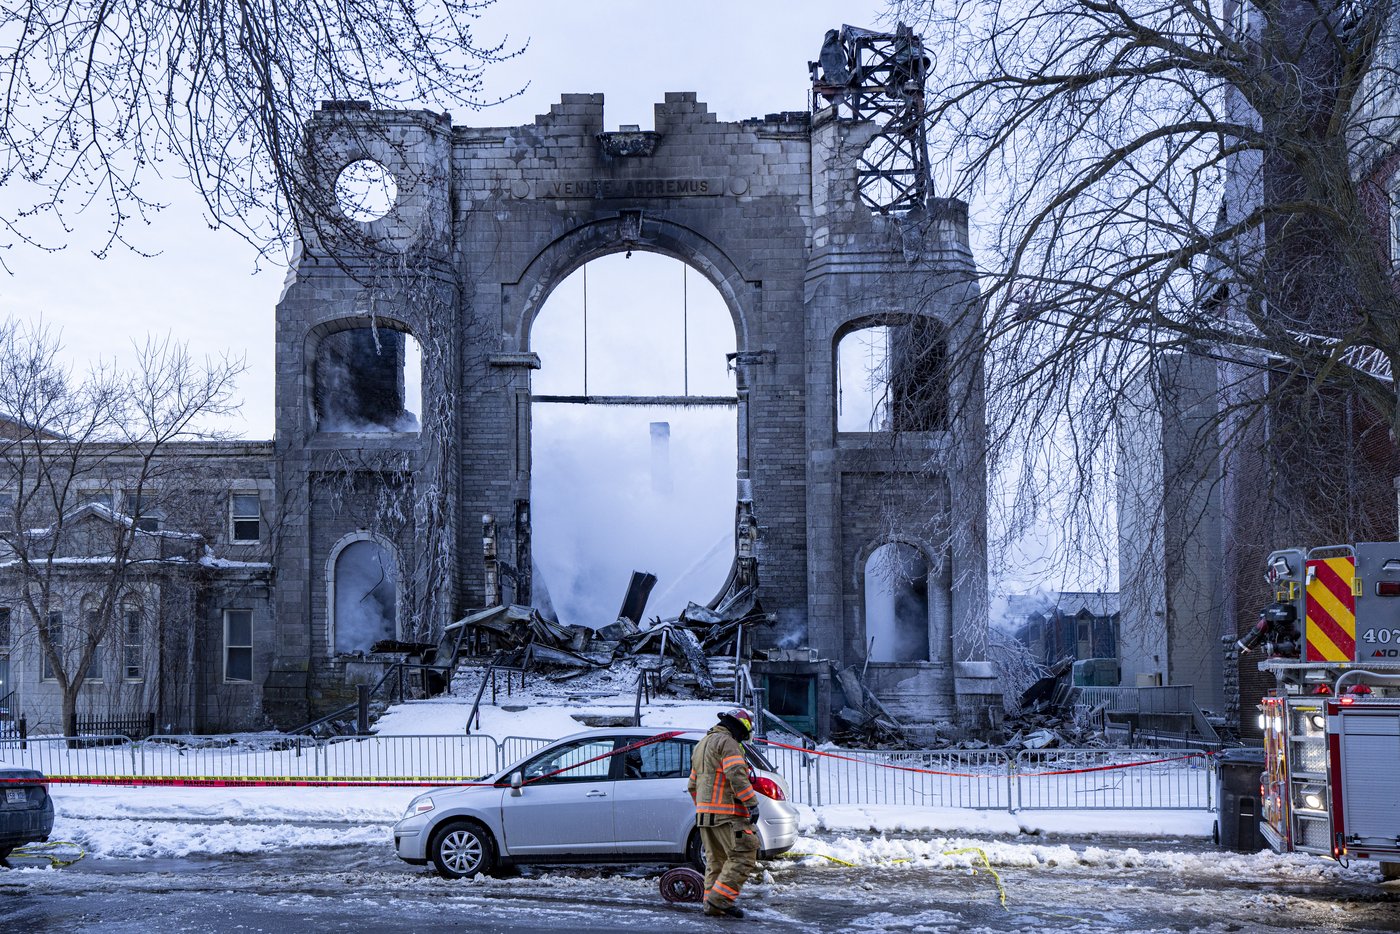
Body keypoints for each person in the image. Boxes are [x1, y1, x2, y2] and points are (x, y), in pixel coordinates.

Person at [687, 707, 760, 919]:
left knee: (716, 863)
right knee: (743, 856)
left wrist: (704, 807)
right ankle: (720, 901)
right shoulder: (727, 743)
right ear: (738, 728)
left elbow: (693, 785)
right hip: (728, 815)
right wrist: (751, 803)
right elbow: (736, 774)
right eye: (743, 735)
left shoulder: (701, 745)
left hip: (705, 817)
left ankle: (713, 906)